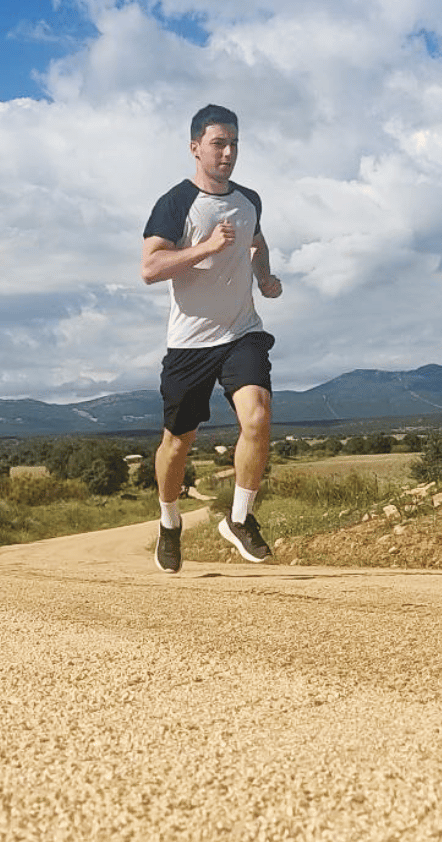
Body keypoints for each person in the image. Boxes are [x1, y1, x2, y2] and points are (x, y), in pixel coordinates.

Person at [141, 104, 282, 573]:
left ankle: (239, 519)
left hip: (241, 332)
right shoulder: (175, 203)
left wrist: (264, 277)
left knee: (257, 415)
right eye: (219, 143)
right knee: (178, 444)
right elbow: (150, 268)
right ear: (195, 147)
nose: (228, 153)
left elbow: (257, 242)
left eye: (234, 144)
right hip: (190, 344)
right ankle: (168, 522)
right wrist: (206, 247)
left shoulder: (250, 200)